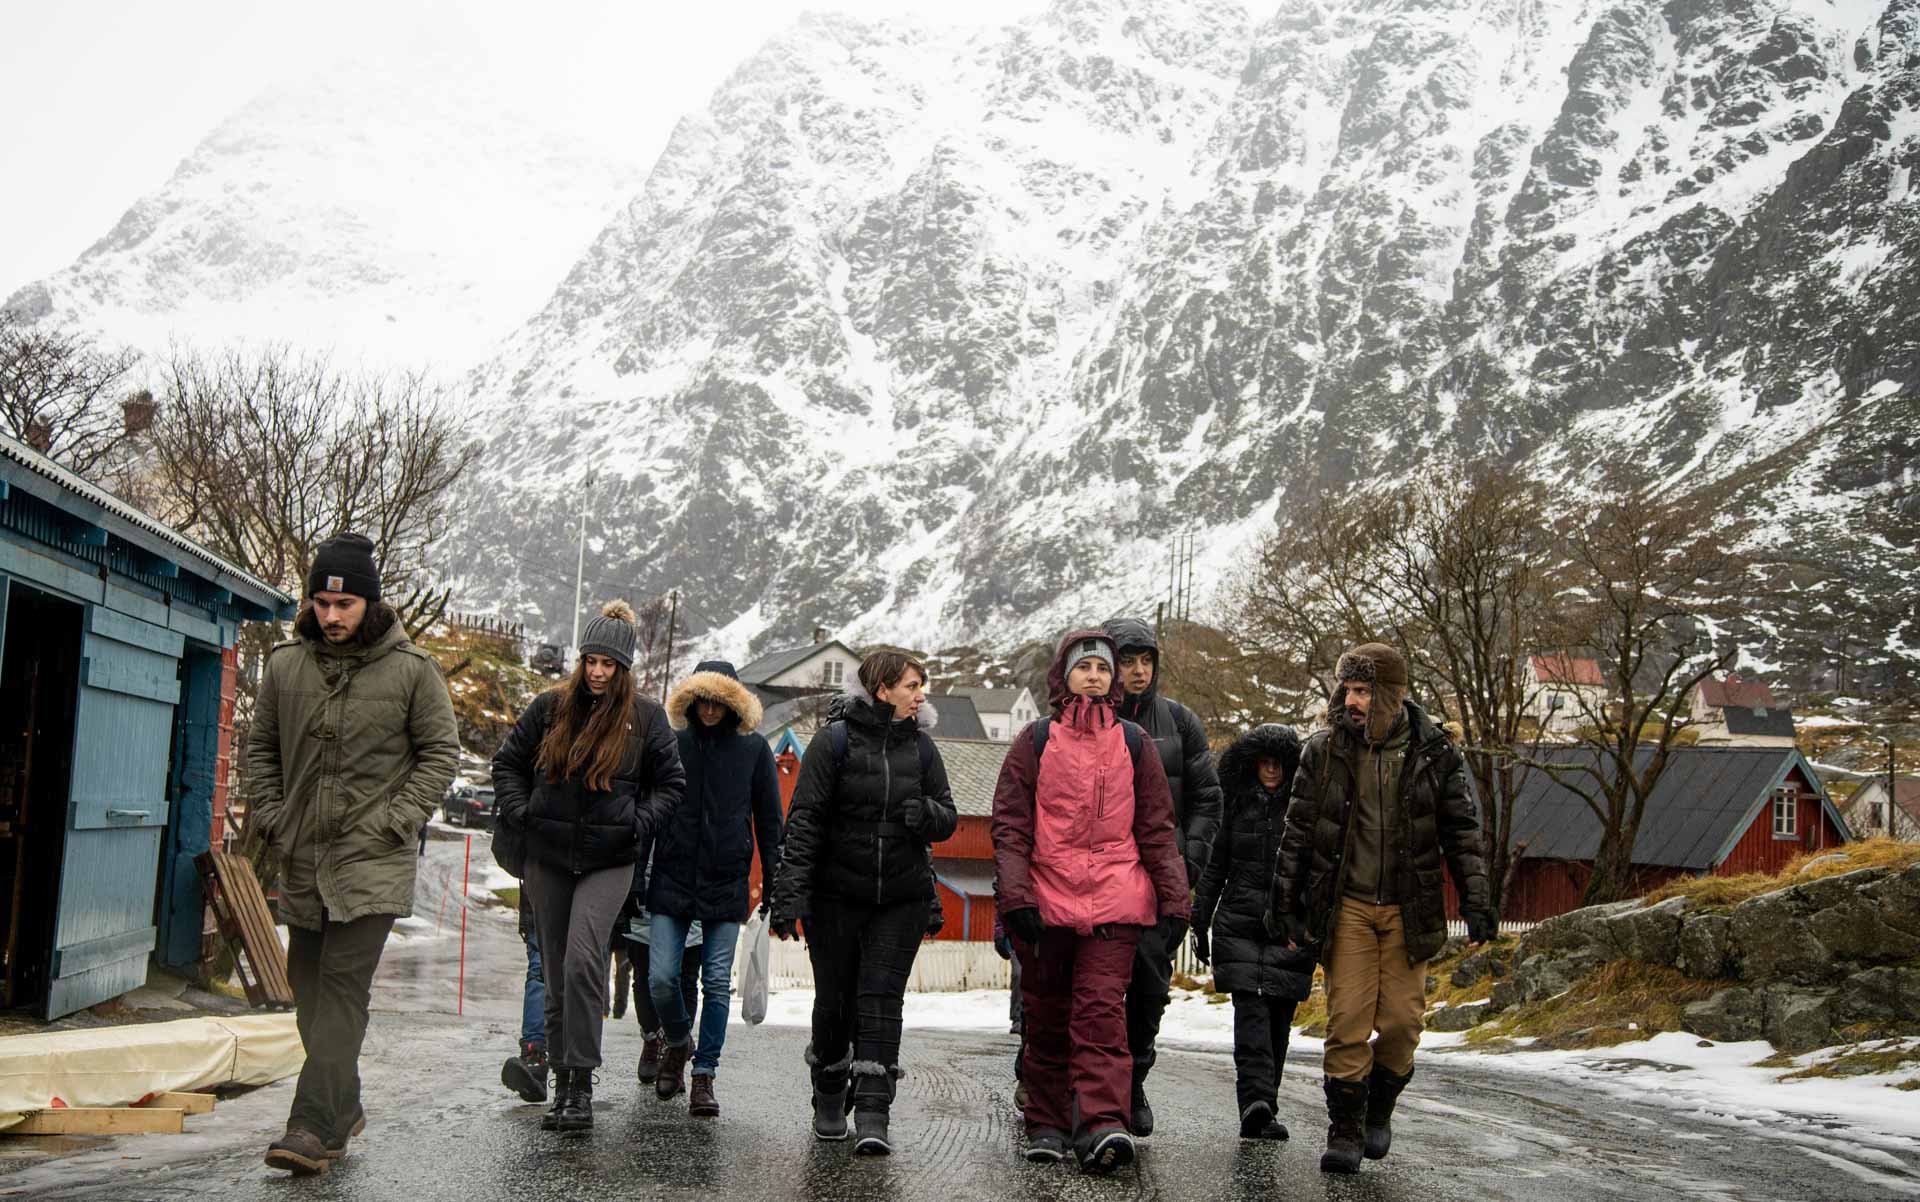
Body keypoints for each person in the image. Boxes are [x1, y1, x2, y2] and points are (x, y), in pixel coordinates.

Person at [246, 533, 459, 1176]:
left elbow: (440, 754)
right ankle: (344, 1105)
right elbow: (261, 750)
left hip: (373, 860)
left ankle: (311, 1124)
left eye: (345, 604)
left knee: (341, 989)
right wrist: (274, 817)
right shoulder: (285, 666)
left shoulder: (412, 670)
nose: (332, 615)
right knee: (308, 990)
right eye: (322, 603)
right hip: (303, 857)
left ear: (369, 602)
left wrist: (397, 819)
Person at [1269, 642, 1493, 1174]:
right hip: (1346, 908)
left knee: (1401, 1025)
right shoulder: (1323, 751)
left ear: (1390, 694)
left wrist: (1478, 901)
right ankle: (1345, 1129)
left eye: (1363, 690)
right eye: (1347, 689)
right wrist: (1285, 904)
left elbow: (1461, 832)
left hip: (1408, 909)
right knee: (1346, 1022)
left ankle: (1379, 1107)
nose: (1351, 700)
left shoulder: (1435, 752)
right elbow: (1298, 831)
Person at [991, 631, 1191, 1175]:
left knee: (1102, 1015)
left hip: (1114, 902)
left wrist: (1175, 900)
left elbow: (1156, 828)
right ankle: (1047, 1123)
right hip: (1046, 903)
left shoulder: (1134, 743)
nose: (1096, 677)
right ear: (1065, 676)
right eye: (1085, 668)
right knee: (1047, 1016)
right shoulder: (1035, 741)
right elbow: (1010, 827)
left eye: (1103, 669)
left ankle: (1103, 1124)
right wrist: (1016, 897)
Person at [492, 601, 685, 1134]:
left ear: (624, 668)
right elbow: (507, 763)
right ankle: (564, 1086)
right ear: (581, 661)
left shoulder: (646, 717)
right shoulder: (549, 708)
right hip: (548, 856)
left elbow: (672, 785)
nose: (598, 672)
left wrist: (636, 823)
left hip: (609, 859)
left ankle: (582, 1079)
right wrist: (523, 812)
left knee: (582, 961)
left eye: (609, 664)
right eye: (591, 661)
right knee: (556, 973)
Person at [768, 650, 958, 1155]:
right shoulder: (833, 742)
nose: (920, 695)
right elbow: (804, 821)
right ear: (881, 689)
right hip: (835, 897)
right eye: (911, 686)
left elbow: (948, 816)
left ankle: (874, 1110)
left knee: (880, 1001)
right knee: (835, 1002)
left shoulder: (922, 748)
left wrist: (926, 814)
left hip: (901, 898)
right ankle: (830, 1089)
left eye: (921, 686)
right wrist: (789, 895)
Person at [1102, 617, 1223, 1135]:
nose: (1138, 671)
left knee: (1150, 988)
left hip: (1159, 881)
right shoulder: (1084, 719)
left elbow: (1207, 800)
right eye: (1127, 661)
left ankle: (1134, 1083)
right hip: (1100, 880)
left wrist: (1185, 863)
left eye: (1146, 660)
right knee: (1096, 987)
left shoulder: (1180, 722)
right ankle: (1090, 1086)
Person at [647, 660, 784, 1116]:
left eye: (718, 702)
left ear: (733, 704)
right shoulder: (672, 744)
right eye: (702, 700)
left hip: (726, 881)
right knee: (661, 978)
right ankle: (678, 1041)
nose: (709, 710)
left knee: (717, 984)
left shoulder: (754, 750)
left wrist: (776, 884)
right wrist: (637, 872)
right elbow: (650, 807)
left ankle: (704, 1074)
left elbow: (770, 821)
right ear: (690, 700)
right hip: (672, 874)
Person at [1191, 724, 1312, 1141]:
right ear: (1252, 763)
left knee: (1279, 1021)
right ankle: (1255, 1102)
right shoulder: (1236, 804)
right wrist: (1199, 919)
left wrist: (1313, 924)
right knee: (1251, 1016)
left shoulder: (1305, 809)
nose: (1272, 770)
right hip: (1239, 923)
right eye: (1265, 761)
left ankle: (1265, 1103)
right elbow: (1214, 865)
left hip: (1289, 927)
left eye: (1279, 762)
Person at [619, 855, 702, 1086]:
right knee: (644, 976)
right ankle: (652, 1037)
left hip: (695, 886)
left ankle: (675, 1052)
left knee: (686, 978)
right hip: (645, 891)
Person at [501, 894, 550, 1103]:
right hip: (540, 899)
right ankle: (534, 1057)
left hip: (587, 895)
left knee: (578, 973)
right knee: (539, 970)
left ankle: (577, 1071)